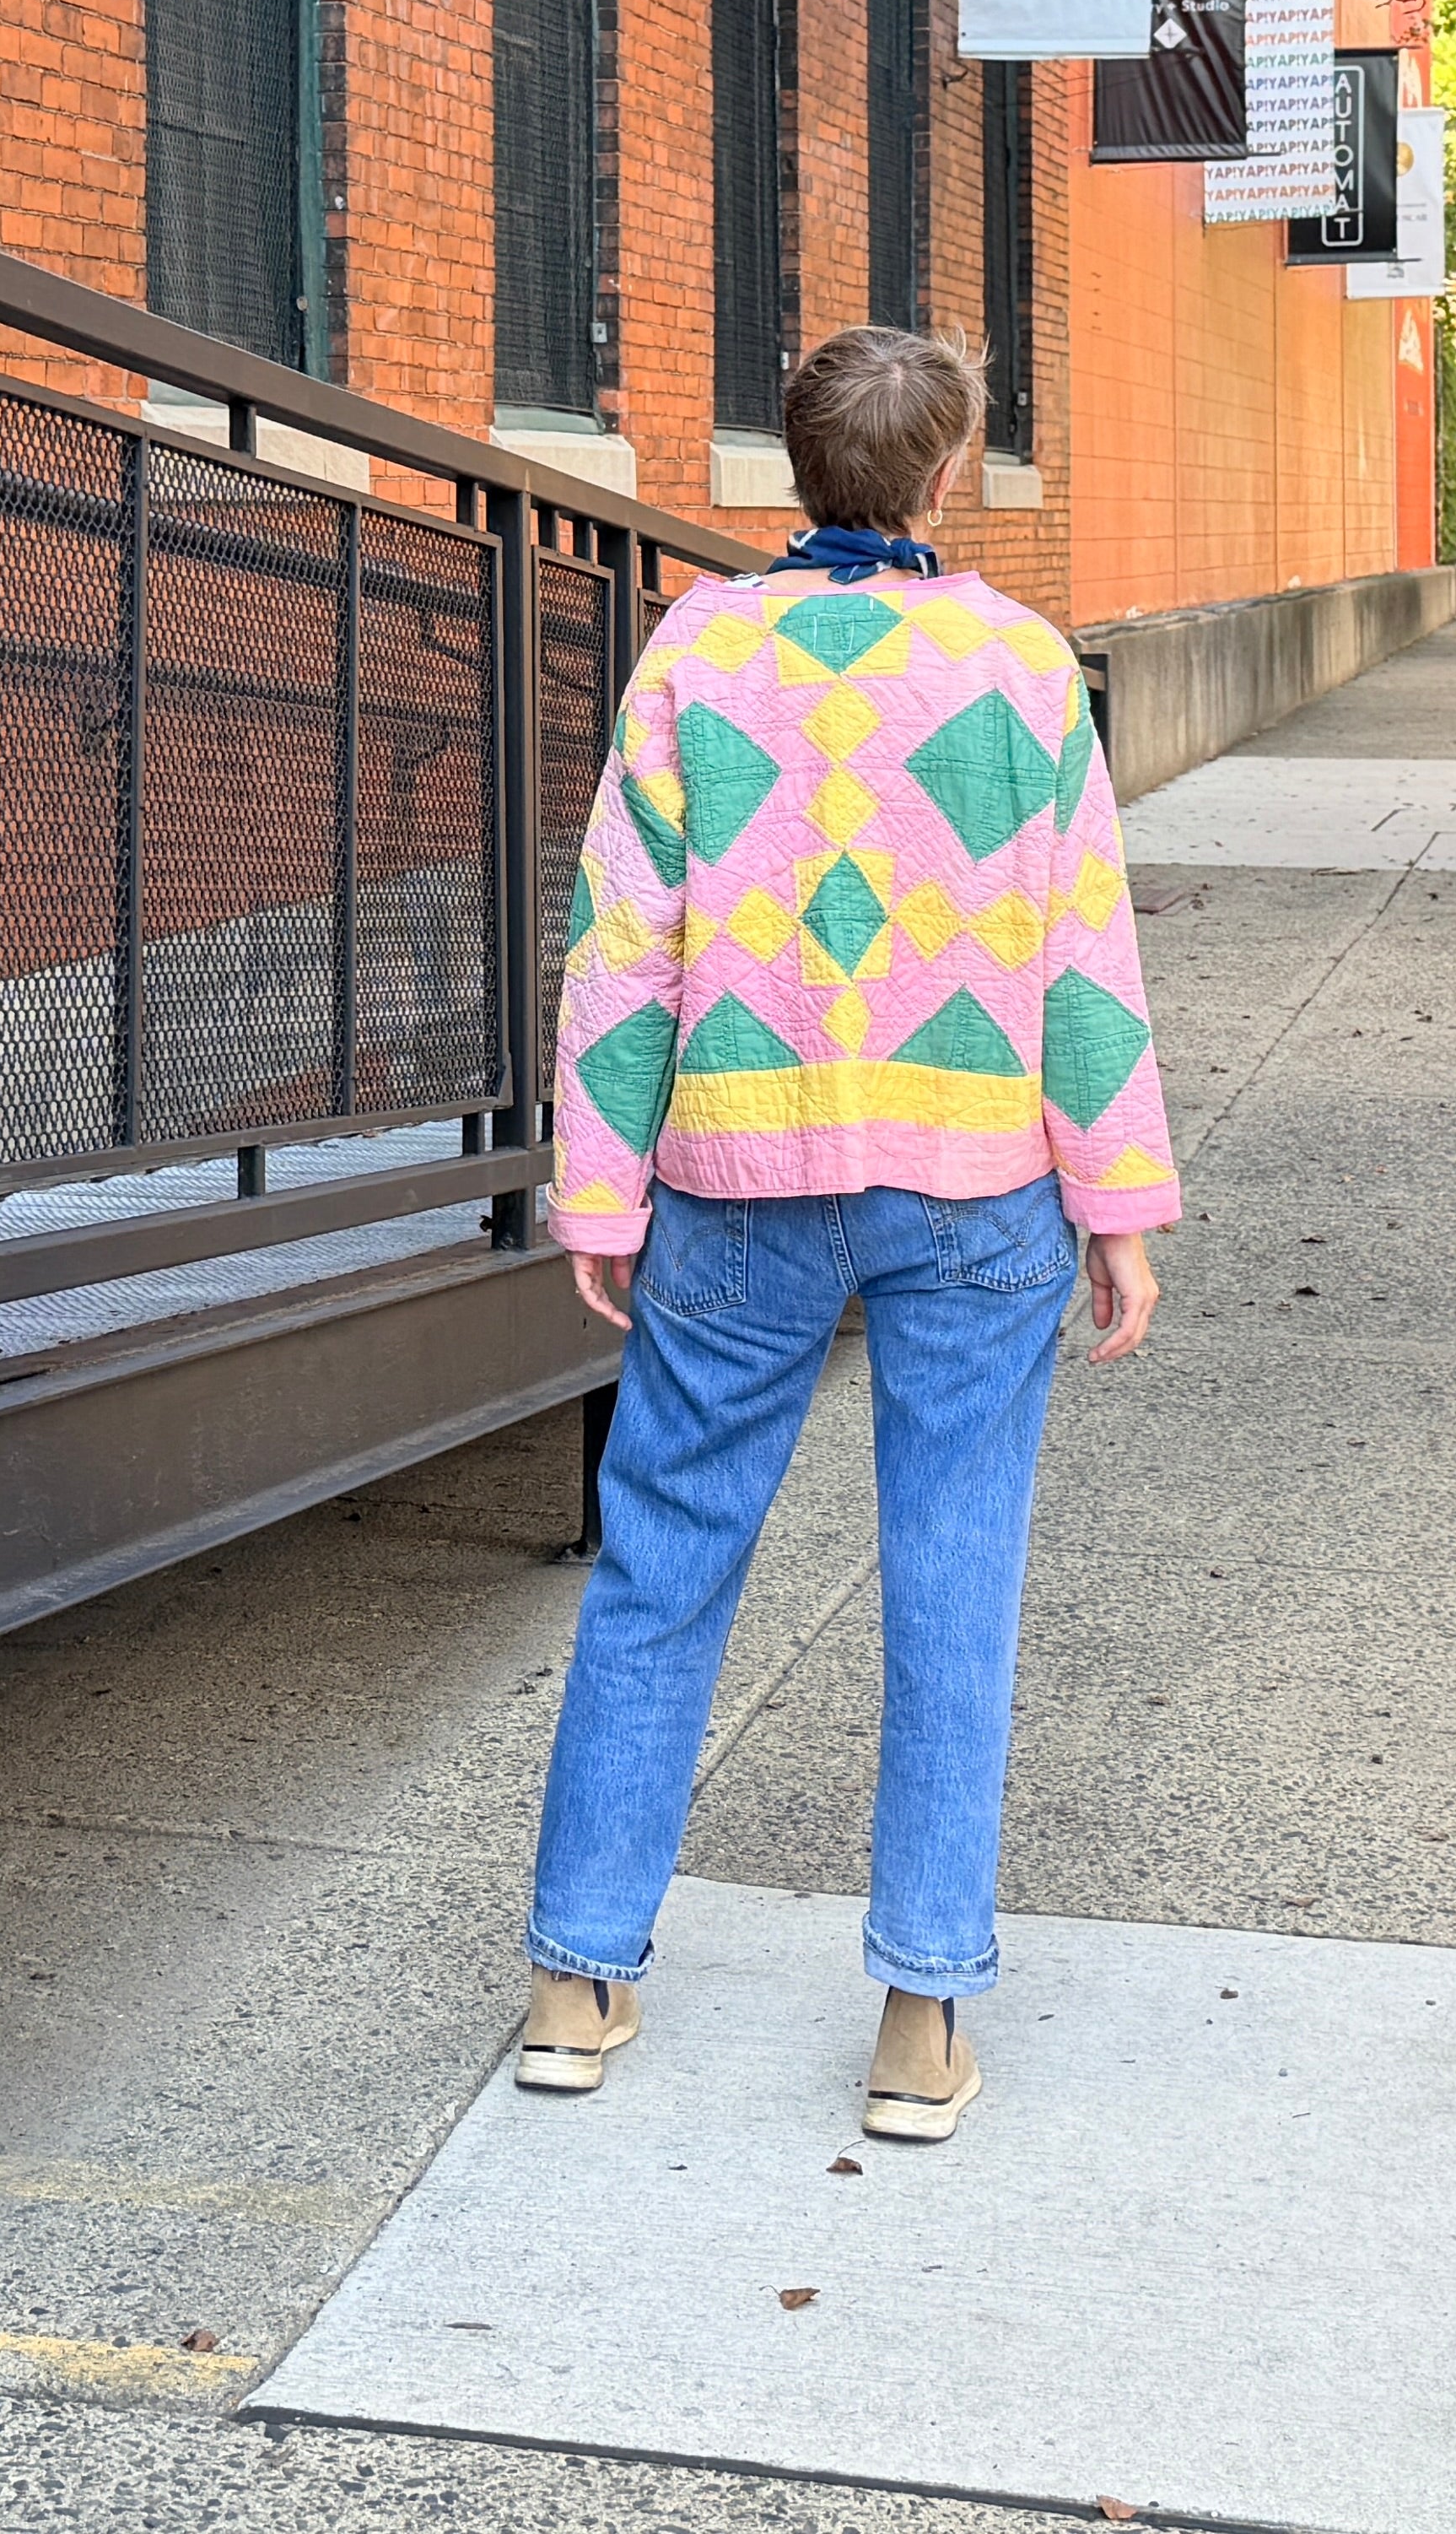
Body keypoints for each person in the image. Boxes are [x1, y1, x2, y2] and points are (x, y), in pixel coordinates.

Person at [517, 324, 1179, 2143]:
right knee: (951, 1577)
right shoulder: (1021, 667)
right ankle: (919, 2011)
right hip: (973, 1182)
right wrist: (1115, 1197)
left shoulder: (694, 651)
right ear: (948, 472)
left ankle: (577, 1976)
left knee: (660, 1560)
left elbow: (621, 935)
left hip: (732, 1175)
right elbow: (1080, 952)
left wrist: (600, 1178)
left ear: (784, 471)